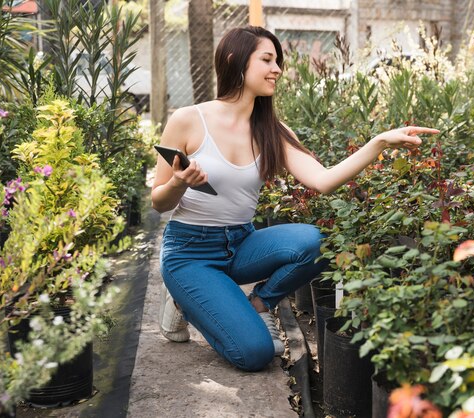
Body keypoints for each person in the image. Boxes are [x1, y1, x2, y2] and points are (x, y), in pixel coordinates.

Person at [151, 25, 439, 372]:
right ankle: (186, 299)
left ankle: (258, 303)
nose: (277, 69)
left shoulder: (273, 129)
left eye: (278, 61)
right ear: (234, 60)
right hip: (190, 253)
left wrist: (377, 143)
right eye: (267, 59)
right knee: (256, 354)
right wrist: (180, 183)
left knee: (318, 242)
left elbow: (323, 180)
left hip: (240, 244)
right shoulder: (187, 120)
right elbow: (159, 202)